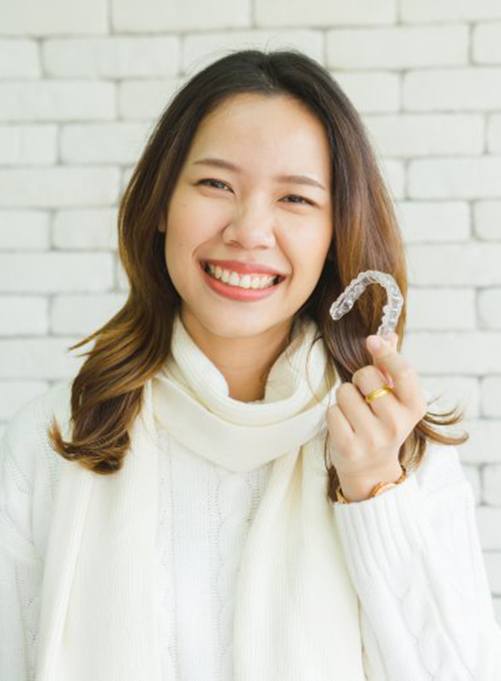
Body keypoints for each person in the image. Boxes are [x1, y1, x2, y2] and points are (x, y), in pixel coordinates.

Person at [1, 48, 500, 681]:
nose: (249, 229)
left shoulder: (401, 448)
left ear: (334, 234)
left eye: (295, 198)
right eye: (215, 185)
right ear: (160, 204)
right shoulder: (51, 444)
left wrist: (375, 491)